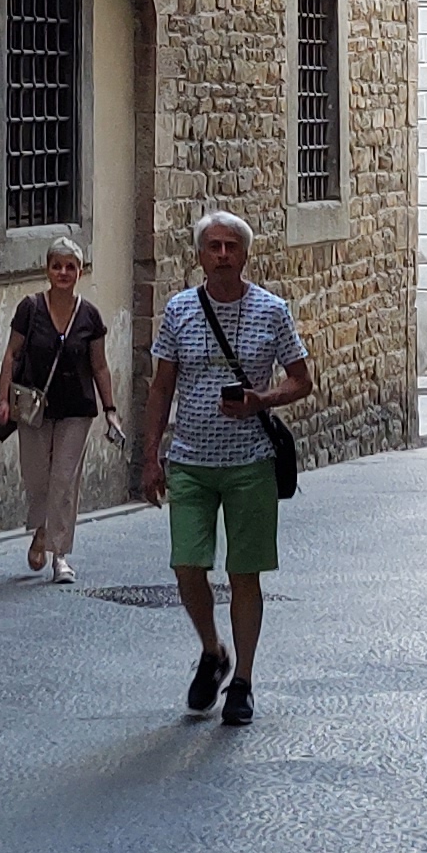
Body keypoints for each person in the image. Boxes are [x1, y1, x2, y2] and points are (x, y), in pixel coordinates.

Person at [136, 209, 311, 728]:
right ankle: (213, 651)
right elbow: (161, 387)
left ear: (246, 254)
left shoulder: (272, 311)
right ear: (199, 256)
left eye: (231, 246)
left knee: (244, 574)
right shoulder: (180, 311)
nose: (222, 255)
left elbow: (301, 379)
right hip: (190, 461)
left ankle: (243, 682)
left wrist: (261, 399)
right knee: (187, 566)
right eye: (213, 246)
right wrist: (151, 455)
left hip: (250, 462)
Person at [0, 235, 112, 582]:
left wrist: (110, 409)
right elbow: (11, 354)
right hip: (34, 407)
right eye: (57, 266)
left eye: (70, 267)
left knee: (64, 480)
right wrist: (3, 399)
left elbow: (99, 366)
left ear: (80, 272)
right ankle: (42, 530)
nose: (63, 273)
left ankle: (60, 555)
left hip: (77, 407)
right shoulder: (30, 308)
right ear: (47, 270)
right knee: (37, 476)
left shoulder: (89, 316)